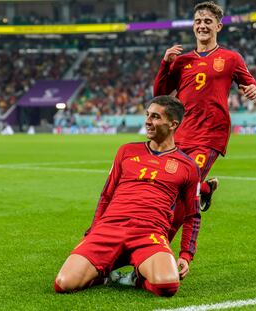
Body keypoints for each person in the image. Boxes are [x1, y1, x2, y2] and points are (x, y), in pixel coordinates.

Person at [54, 95, 201, 297]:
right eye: (147, 115)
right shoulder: (126, 151)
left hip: (149, 232)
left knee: (167, 285)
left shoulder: (188, 166)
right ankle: (103, 275)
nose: (148, 121)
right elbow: (106, 195)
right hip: (110, 227)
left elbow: (193, 215)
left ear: (173, 124)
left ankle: (136, 278)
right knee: (64, 284)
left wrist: (186, 254)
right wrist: (93, 231)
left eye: (156, 117)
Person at [153, 1, 256, 215]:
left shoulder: (231, 58)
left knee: (181, 187)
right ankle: (206, 188)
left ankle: (174, 243)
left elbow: (250, 83)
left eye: (208, 21)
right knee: (173, 181)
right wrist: (165, 63)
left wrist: (253, 90)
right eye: (198, 21)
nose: (202, 25)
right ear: (193, 26)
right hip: (182, 131)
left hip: (211, 133)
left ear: (218, 26)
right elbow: (160, 94)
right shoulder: (181, 61)